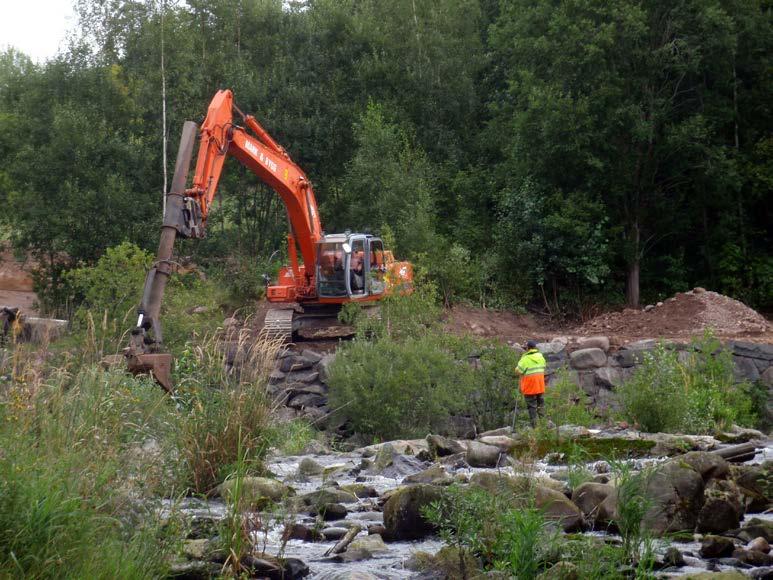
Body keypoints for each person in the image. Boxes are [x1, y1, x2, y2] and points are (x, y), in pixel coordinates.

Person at [515, 340, 547, 427]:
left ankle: (534, 427)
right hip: (540, 386)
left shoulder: (525, 359)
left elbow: (518, 371)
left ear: (528, 348)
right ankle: (544, 424)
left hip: (530, 387)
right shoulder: (540, 356)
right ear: (535, 348)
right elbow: (544, 366)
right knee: (541, 405)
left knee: (532, 407)